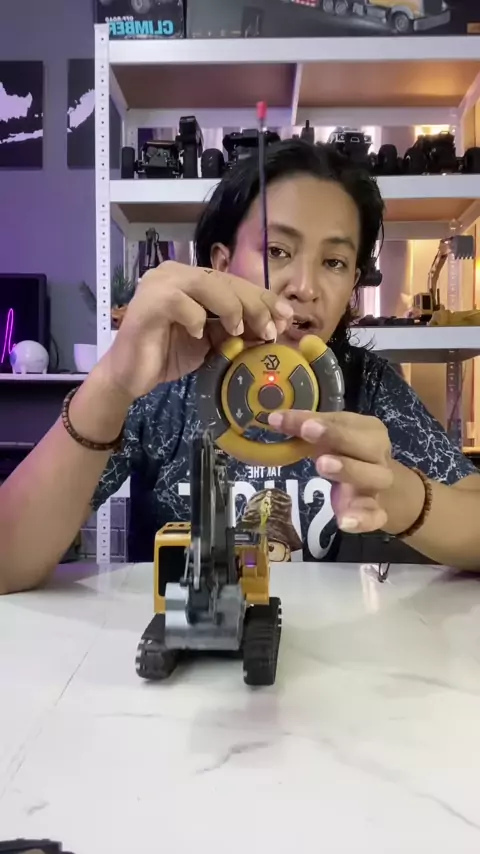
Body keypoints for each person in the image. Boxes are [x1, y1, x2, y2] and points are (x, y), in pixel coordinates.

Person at [1, 139, 480, 595]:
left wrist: (402, 496)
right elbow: (7, 561)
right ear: (222, 263)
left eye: (334, 262)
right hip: (185, 639)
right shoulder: (162, 384)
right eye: (277, 251)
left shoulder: (368, 386)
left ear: (353, 283)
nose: (305, 286)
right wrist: (111, 383)